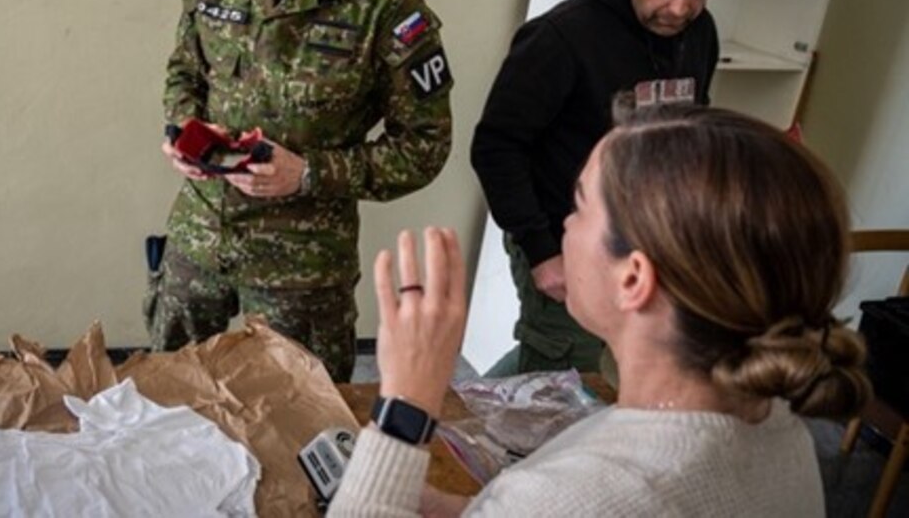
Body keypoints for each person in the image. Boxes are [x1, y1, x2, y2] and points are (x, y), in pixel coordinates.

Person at [330, 104, 871, 517]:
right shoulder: (775, 422)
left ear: (633, 277)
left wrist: (405, 410)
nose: (564, 223)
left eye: (581, 206)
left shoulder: (582, 496)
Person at [144, 0, 454, 382]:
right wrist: (182, 130)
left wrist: (308, 173)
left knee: (301, 425)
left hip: (304, 267)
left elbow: (424, 146)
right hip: (199, 238)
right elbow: (184, 71)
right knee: (168, 399)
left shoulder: (385, 0)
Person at [471, 0, 730, 374]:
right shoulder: (562, 36)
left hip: (645, 233)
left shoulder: (701, 32)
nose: (680, 8)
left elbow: (690, 125)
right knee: (562, 362)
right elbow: (496, 147)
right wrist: (542, 251)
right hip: (562, 232)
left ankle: (459, 429)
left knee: (587, 360)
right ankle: (452, 440)